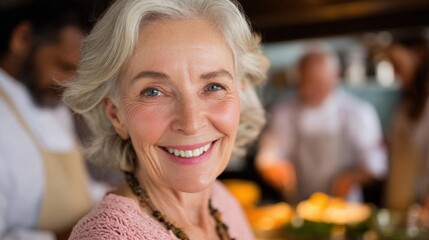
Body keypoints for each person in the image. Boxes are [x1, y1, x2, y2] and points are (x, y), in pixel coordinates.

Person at [63, 0, 268, 239]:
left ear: (240, 95)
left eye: (213, 86)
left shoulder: (223, 202)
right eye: (153, 92)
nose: (191, 123)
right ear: (115, 114)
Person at [0, 1, 105, 239]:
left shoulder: (50, 101)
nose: (69, 85)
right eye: (63, 66)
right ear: (22, 38)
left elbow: (80, 191)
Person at [256, 48, 387, 203]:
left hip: (345, 206)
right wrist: (275, 168)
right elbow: (268, 157)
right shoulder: (284, 112)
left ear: (334, 76)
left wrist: (351, 178)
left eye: (317, 83)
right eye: (304, 82)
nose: (309, 90)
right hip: (299, 205)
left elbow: (377, 165)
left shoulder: (358, 112)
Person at [385, 32, 429, 214]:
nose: (396, 74)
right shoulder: (406, 104)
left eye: (397, 65)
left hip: (421, 209)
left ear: (419, 55)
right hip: (398, 204)